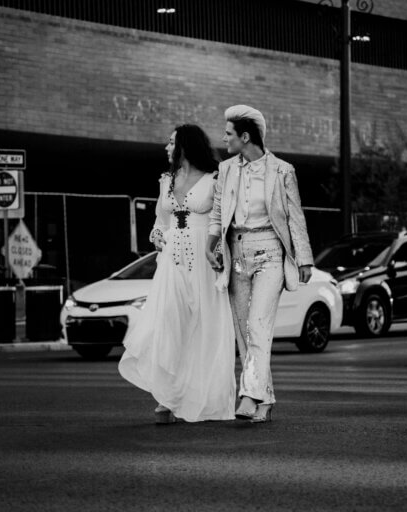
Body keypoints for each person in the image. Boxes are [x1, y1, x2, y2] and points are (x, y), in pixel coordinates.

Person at [118, 124, 236, 424]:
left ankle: (204, 397)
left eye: (171, 142)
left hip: (204, 261)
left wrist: (219, 252)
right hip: (171, 262)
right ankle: (167, 398)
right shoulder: (167, 180)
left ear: (185, 145)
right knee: (170, 326)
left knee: (203, 328)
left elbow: (222, 222)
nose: (166, 147)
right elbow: (161, 220)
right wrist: (156, 235)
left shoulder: (215, 179)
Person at [205, 105, 313, 423]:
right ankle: (264, 399)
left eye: (228, 134)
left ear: (245, 136)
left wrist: (304, 259)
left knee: (258, 325)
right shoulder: (225, 170)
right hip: (236, 253)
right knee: (244, 331)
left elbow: (295, 217)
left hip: (270, 252)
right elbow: (217, 212)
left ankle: (249, 394)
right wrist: (211, 245)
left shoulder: (282, 171)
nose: (224, 138)